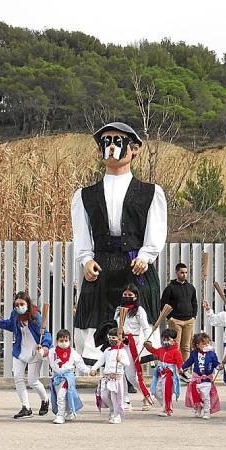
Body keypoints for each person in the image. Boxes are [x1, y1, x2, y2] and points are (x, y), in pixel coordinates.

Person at [72, 122, 167, 364]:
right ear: (99, 150)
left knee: (138, 311)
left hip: (135, 261)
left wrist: (146, 256)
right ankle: (102, 366)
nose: (111, 147)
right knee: (97, 313)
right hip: (101, 262)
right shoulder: (84, 195)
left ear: (134, 149)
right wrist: (86, 258)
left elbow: (156, 229)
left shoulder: (152, 192)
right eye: (106, 142)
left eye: (117, 141)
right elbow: (82, 232)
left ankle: (136, 365)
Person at [0, 291, 51, 419]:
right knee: (17, 377)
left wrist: (45, 346)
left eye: (22, 304)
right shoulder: (15, 315)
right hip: (20, 350)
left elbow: (45, 333)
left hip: (35, 351)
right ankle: (26, 408)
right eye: (17, 304)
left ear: (27, 304)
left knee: (32, 381)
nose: (19, 307)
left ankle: (45, 399)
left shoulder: (35, 316)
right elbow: (11, 325)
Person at [114, 284, 153, 410]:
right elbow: (115, 325)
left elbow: (146, 327)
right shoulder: (119, 309)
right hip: (120, 343)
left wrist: (148, 341)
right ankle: (125, 399)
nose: (127, 297)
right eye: (125, 295)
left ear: (135, 297)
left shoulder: (139, 311)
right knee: (120, 373)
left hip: (132, 345)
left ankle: (146, 395)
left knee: (131, 375)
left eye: (130, 295)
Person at [48, 329, 90, 424]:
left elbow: (80, 364)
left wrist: (89, 371)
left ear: (69, 341)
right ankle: (69, 411)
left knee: (61, 396)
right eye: (61, 341)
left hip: (67, 377)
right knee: (63, 396)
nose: (64, 343)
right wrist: (39, 351)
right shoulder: (52, 352)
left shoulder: (73, 353)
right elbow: (42, 355)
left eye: (66, 341)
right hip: (56, 377)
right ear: (57, 341)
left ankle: (60, 415)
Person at [161, 263, 198, 364]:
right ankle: (176, 366)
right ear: (177, 272)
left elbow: (194, 302)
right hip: (175, 320)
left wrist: (194, 316)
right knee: (175, 345)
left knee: (186, 346)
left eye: (186, 273)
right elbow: (163, 304)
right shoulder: (170, 288)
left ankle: (184, 368)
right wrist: (170, 318)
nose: (184, 275)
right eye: (182, 272)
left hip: (189, 320)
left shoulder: (191, 288)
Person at [91, 328, 130, 424]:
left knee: (115, 397)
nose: (111, 339)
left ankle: (117, 415)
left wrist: (120, 360)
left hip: (116, 377)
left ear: (120, 338)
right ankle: (112, 409)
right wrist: (94, 368)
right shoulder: (107, 350)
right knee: (104, 396)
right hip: (106, 377)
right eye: (110, 337)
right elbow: (101, 361)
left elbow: (127, 363)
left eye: (114, 337)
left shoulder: (122, 351)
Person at [144, 329, 183, 417]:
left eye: (168, 339)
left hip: (170, 375)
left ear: (173, 340)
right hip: (161, 373)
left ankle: (166, 409)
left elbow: (179, 362)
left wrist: (180, 369)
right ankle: (167, 405)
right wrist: (148, 347)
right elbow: (155, 351)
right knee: (157, 391)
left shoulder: (176, 351)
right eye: (164, 339)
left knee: (167, 392)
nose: (165, 341)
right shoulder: (162, 349)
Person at [182, 332, 221, 420]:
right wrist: (182, 368)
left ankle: (207, 412)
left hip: (207, 379)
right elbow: (189, 362)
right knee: (196, 395)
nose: (206, 345)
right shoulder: (194, 354)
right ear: (197, 345)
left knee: (206, 396)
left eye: (208, 343)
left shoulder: (212, 354)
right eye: (204, 343)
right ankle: (198, 408)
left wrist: (219, 366)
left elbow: (215, 363)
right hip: (196, 378)